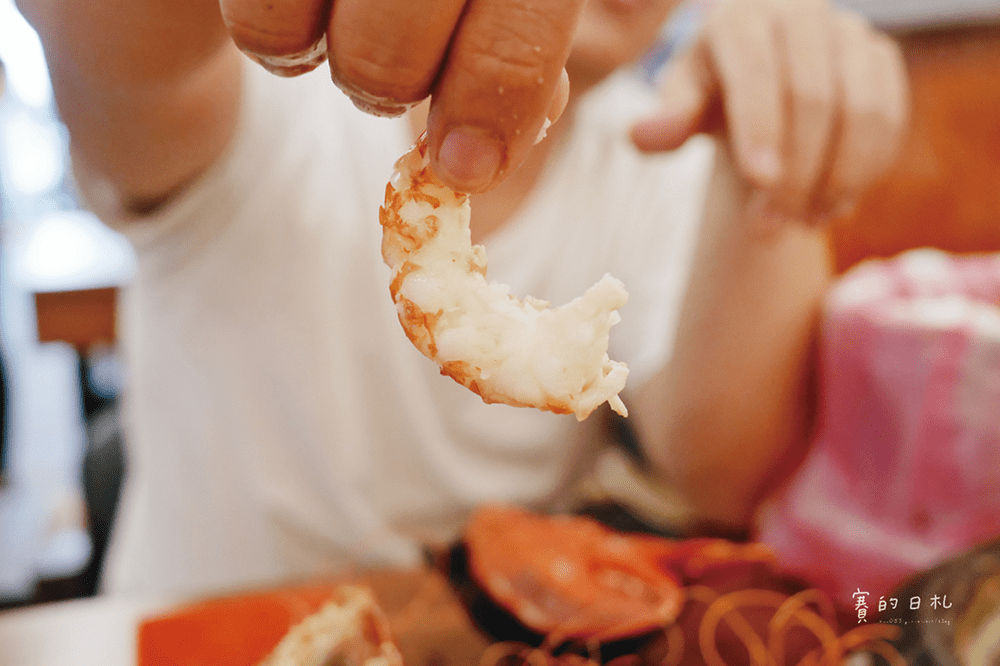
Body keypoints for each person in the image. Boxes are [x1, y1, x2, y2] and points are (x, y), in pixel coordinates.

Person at [16, 0, 909, 598]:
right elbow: (126, 71)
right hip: (198, 631)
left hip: (472, 638)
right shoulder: (264, 88)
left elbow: (720, 471)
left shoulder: (654, 152)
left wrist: (773, 152)